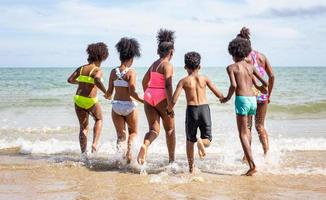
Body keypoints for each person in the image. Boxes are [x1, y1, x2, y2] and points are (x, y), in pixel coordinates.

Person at [167, 51, 224, 174]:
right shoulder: (205, 79)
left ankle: (191, 168)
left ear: (185, 67)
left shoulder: (183, 81)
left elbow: (174, 100)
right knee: (208, 139)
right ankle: (202, 142)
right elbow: (219, 94)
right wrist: (225, 98)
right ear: (199, 66)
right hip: (204, 110)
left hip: (192, 110)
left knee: (190, 140)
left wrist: (168, 110)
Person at [221, 37, 268, 176]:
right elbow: (264, 83)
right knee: (248, 131)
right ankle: (249, 160)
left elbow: (234, 85)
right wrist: (261, 89)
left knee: (242, 133)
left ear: (233, 52)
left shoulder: (231, 67)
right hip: (253, 99)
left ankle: (252, 165)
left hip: (241, 100)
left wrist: (226, 98)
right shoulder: (251, 66)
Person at [137, 29, 176, 165]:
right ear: (171, 52)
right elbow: (168, 85)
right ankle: (171, 161)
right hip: (161, 96)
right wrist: (170, 103)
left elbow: (143, 81)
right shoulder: (168, 65)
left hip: (149, 95)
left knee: (154, 130)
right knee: (170, 130)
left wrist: (148, 95)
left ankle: (145, 144)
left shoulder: (154, 64)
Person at [105, 37, 144, 164]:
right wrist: (143, 101)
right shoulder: (131, 72)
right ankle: (128, 155)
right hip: (129, 106)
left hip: (116, 106)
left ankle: (119, 159)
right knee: (133, 132)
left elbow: (109, 92)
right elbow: (132, 92)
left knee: (120, 135)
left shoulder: (113, 72)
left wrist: (107, 95)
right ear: (131, 58)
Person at [237, 27, 275, 155]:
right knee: (260, 126)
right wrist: (268, 93)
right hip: (262, 95)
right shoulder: (262, 56)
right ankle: (267, 154)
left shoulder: (243, 59)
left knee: (247, 127)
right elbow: (272, 76)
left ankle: (247, 157)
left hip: (249, 95)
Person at [67, 42, 108, 156]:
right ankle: (94, 144)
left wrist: (80, 82)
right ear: (101, 57)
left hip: (78, 99)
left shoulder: (81, 69)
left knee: (83, 127)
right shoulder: (97, 70)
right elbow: (97, 80)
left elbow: (69, 80)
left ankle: (83, 154)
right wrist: (107, 92)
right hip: (90, 100)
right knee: (99, 119)